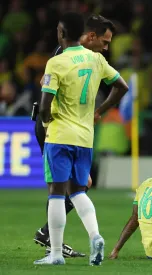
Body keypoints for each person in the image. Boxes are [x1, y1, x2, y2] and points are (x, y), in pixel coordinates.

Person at [34, 12, 129, 265]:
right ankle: (95, 235)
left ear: (62, 32)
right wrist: (98, 111)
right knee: (78, 191)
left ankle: (54, 252)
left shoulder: (57, 61)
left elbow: (45, 106)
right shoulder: (96, 60)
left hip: (59, 132)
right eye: (105, 41)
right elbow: (123, 86)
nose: (106, 47)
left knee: (56, 191)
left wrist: (47, 125)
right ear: (88, 35)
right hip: (85, 136)